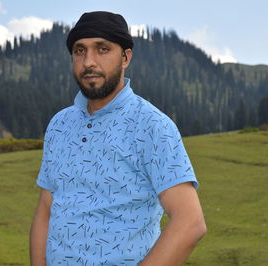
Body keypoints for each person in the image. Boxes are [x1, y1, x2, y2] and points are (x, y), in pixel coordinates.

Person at [30, 11, 206, 266]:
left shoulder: (152, 126)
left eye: (102, 49)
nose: (88, 62)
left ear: (125, 58)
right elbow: (46, 208)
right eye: (80, 50)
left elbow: (190, 223)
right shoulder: (59, 124)